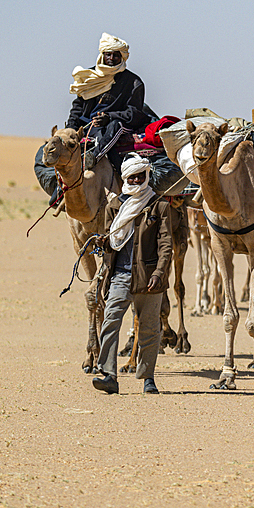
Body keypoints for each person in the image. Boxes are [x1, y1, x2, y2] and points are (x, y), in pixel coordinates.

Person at [91, 154, 173, 395]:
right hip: (119, 275)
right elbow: (110, 239)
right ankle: (108, 375)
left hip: (149, 277)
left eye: (140, 175)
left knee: (149, 328)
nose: (136, 179)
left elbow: (166, 244)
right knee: (110, 321)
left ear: (147, 176)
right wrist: (102, 242)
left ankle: (148, 378)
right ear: (125, 177)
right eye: (132, 176)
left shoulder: (159, 206)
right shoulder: (115, 206)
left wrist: (159, 272)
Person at [67, 33, 149, 171]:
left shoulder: (133, 82)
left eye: (116, 55)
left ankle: (94, 157)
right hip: (89, 124)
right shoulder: (90, 77)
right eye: (108, 54)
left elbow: (134, 113)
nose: (111, 58)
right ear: (102, 55)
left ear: (122, 57)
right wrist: (70, 129)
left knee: (115, 126)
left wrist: (110, 117)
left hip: (116, 124)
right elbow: (78, 107)